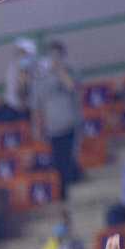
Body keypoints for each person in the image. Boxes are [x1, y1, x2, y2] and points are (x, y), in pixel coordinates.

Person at [33, 41, 84, 197]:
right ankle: (63, 194)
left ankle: (74, 190)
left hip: (70, 123)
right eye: (51, 54)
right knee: (58, 163)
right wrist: (35, 126)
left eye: (57, 54)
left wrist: (59, 69)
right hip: (53, 127)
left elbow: (72, 87)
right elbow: (35, 103)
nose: (53, 57)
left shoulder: (72, 70)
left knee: (71, 160)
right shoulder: (41, 77)